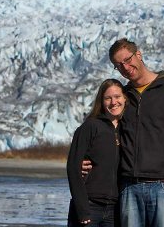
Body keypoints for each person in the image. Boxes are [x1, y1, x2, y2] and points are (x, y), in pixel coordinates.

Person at [84, 38, 164, 227]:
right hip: (129, 188)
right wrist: (84, 160)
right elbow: (104, 131)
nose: (125, 67)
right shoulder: (123, 97)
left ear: (138, 54)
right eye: (118, 65)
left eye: (127, 59)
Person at [67, 78, 126, 226]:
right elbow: (73, 167)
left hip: (115, 210)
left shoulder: (127, 129)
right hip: (89, 206)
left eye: (117, 97)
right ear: (102, 101)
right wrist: (82, 209)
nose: (113, 102)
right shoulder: (90, 126)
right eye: (108, 98)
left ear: (125, 98)